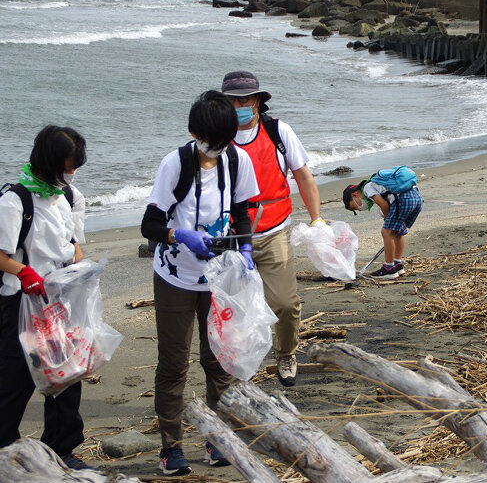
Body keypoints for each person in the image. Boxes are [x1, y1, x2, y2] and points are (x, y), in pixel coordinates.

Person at [141, 91, 259, 476]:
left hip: (219, 275)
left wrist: (245, 248)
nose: (216, 148)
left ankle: (216, 437)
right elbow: (150, 225)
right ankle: (170, 447)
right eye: (211, 140)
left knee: (219, 360)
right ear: (194, 132)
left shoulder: (236, 160)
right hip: (176, 277)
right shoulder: (174, 164)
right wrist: (179, 236)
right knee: (174, 363)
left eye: (224, 140)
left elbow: (242, 210)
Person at [221, 71, 323, 389]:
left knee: (284, 303)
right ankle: (237, 363)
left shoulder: (278, 132)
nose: (241, 104)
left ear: (258, 101)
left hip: (274, 230)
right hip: (231, 238)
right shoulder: (217, 137)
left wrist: (316, 219)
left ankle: (286, 353)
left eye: (246, 99)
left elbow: (303, 176)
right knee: (233, 307)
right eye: (234, 99)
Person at [0, 126, 90, 470]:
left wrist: (80, 268)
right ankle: (5, 448)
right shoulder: (14, 201)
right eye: (67, 166)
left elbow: (73, 244)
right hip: (21, 304)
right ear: (47, 162)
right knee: (15, 381)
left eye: (74, 167)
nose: (71, 173)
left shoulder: (67, 196)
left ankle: (62, 449)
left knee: (65, 376)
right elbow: (2, 254)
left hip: (58, 301)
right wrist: (24, 271)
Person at [343, 175, 423, 279]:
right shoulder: (376, 183)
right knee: (398, 232)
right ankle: (397, 265)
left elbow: (384, 205)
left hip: (403, 200)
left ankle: (389, 268)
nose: (359, 209)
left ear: (354, 195)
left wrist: (387, 219)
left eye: (355, 206)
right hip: (416, 198)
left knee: (386, 232)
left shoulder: (368, 188)